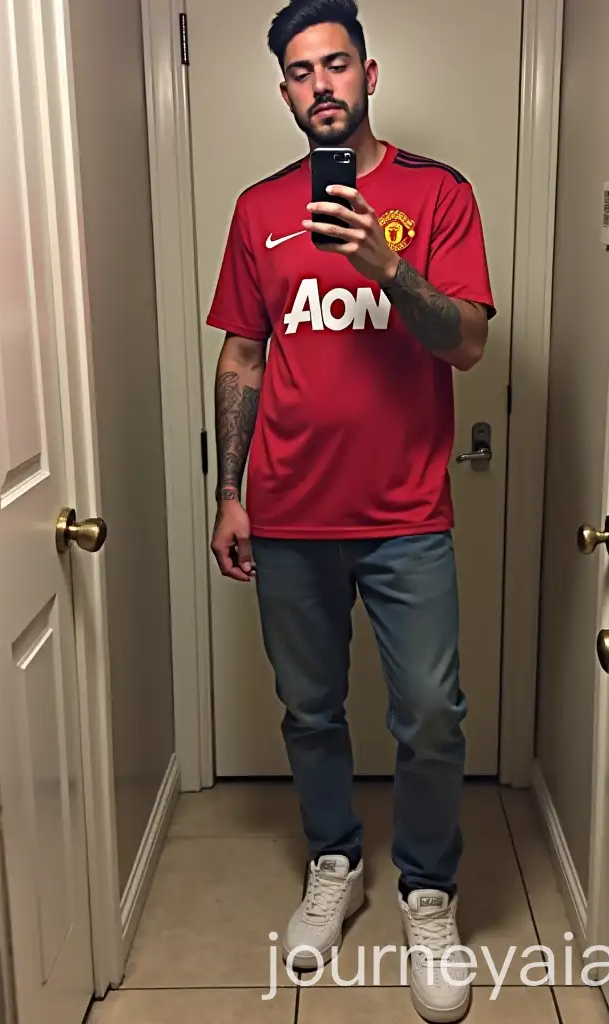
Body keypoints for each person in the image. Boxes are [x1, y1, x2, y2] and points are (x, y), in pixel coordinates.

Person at [206, 1, 494, 1019]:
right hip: (286, 513)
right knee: (310, 709)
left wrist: (385, 264)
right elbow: (243, 352)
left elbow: (463, 340)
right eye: (298, 70)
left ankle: (426, 892)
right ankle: (334, 865)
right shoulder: (257, 210)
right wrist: (228, 492)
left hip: (406, 513)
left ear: (369, 76)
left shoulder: (436, 194)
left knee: (429, 714)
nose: (318, 83)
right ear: (284, 91)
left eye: (335, 64)